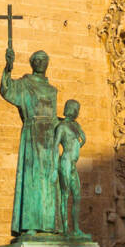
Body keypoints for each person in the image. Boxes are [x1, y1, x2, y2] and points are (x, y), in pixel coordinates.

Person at [0, 47, 59, 236]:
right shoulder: (25, 84)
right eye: (37, 60)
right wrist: (8, 68)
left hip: (49, 139)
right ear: (32, 64)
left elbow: (54, 117)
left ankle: (49, 225)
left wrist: (66, 131)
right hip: (33, 134)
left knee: (49, 182)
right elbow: (7, 89)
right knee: (32, 180)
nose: (41, 62)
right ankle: (30, 224)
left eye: (44, 59)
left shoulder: (52, 90)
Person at [54, 99, 89, 237]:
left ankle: (76, 229)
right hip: (66, 162)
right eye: (76, 109)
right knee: (65, 195)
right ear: (71, 109)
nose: (78, 112)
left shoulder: (76, 125)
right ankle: (65, 229)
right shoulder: (62, 126)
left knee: (77, 197)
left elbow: (83, 139)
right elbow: (55, 145)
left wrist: (78, 146)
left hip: (73, 164)